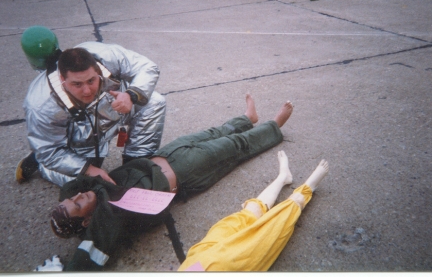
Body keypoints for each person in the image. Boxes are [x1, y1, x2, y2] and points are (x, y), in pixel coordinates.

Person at [46, 94, 294, 271]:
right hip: (183, 171)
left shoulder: (88, 192)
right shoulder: (106, 219)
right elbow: (84, 262)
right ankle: (274, 126)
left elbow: (70, 187)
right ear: (88, 221)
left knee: (213, 133)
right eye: (77, 205)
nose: (78, 196)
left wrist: (67, 204)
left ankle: (247, 118)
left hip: (164, 155)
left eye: (72, 198)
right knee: (232, 147)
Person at [16, 26, 166, 186]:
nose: (87, 91)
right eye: (77, 84)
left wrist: (131, 95)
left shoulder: (103, 55)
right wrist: (88, 169)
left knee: (154, 102)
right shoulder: (39, 104)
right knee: (89, 184)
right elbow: (48, 152)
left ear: (96, 68)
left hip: (113, 113)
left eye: (91, 81)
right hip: (81, 141)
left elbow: (148, 67)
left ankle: (136, 165)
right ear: (62, 79)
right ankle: (40, 165)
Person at [178, 150, 329, 271]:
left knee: (247, 215)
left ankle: (283, 177)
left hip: (197, 261)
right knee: (270, 230)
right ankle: (306, 190)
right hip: (224, 268)